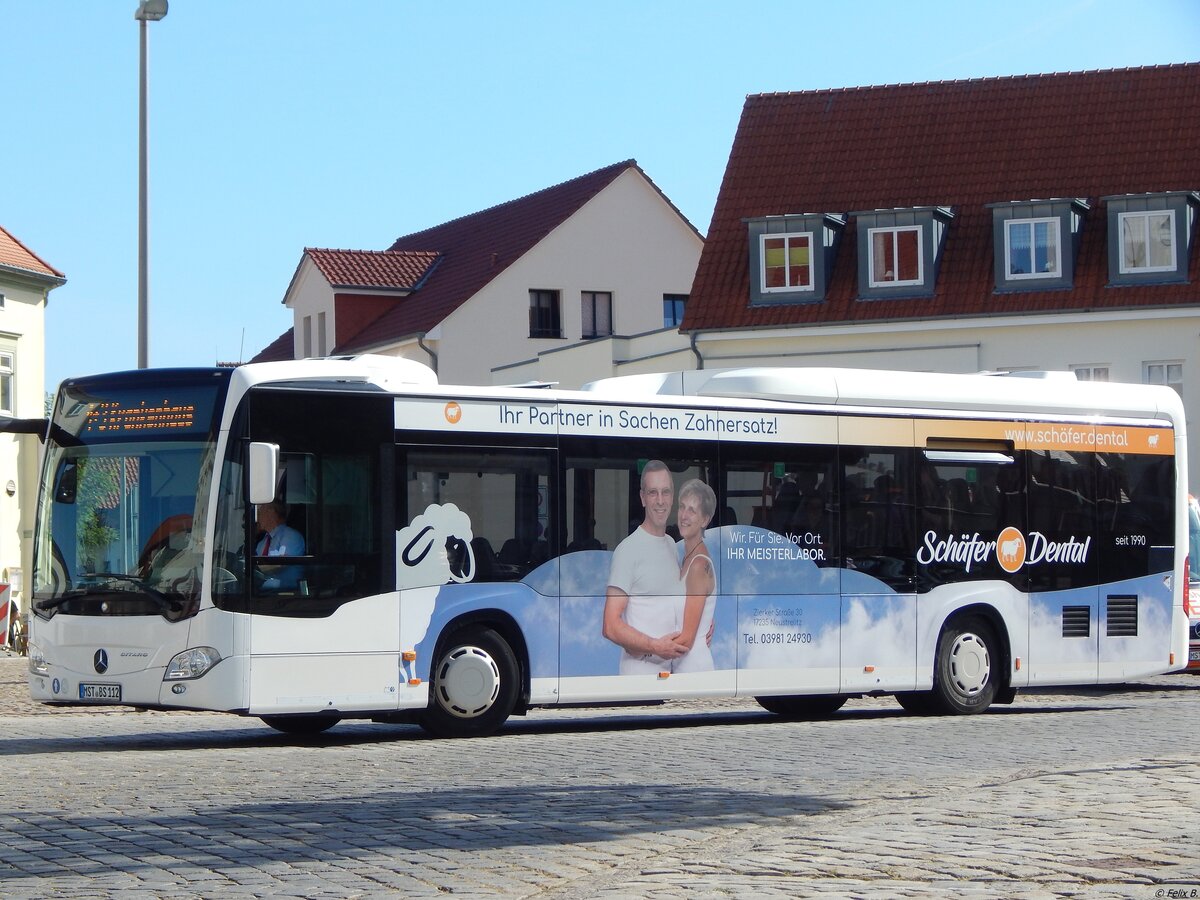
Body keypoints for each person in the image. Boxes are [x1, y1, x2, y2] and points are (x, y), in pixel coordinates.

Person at [603, 460, 690, 673]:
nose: (660, 501)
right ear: (643, 498)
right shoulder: (628, 550)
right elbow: (610, 626)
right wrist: (655, 646)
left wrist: (701, 627)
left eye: (665, 492)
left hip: (667, 677)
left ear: (672, 497)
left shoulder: (671, 545)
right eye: (653, 493)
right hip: (639, 678)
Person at [672, 478, 717, 673]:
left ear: (704, 520)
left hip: (693, 669)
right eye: (682, 507)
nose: (684, 515)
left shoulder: (699, 565)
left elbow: (687, 640)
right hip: (683, 667)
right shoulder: (685, 559)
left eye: (692, 510)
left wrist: (647, 648)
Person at [255, 501, 305, 590]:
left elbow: (282, 563)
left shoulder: (290, 536)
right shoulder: (262, 543)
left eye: (260, 513)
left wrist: (255, 569)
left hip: (288, 595)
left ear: (271, 513)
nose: (257, 518)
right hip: (262, 594)